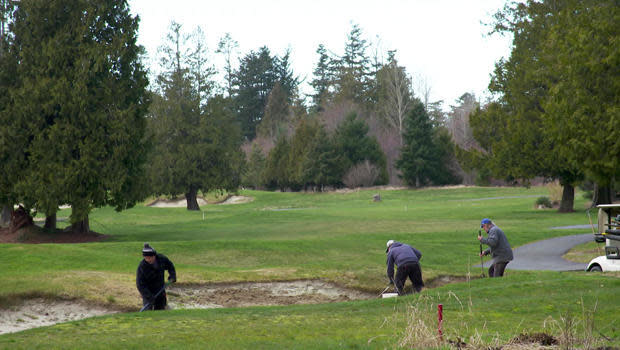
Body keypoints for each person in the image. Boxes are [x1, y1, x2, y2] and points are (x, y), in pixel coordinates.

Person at [136, 243, 176, 310]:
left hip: (160, 289)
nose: (148, 260)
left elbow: (170, 266)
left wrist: (172, 276)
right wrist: (148, 296)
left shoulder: (162, 259)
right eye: (146, 258)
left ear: (154, 255)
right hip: (148, 291)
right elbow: (140, 284)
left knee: (160, 309)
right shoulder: (142, 267)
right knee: (148, 310)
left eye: (150, 258)